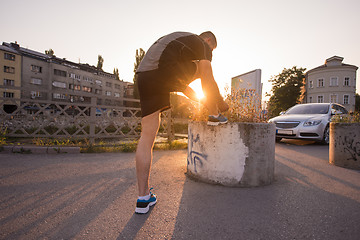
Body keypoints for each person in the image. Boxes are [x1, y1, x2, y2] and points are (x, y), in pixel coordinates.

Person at [134, 31, 229, 214]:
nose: (211, 53)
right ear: (208, 40)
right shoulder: (201, 44)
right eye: (212, 49)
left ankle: (143, 198)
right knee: (205, 69)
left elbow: (184, 87)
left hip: (144, 75)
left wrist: (202, 101)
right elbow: (206, 73)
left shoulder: (178, 48)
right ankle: (215, 114)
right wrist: (217, 102)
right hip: (161, 71)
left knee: (146, 137)